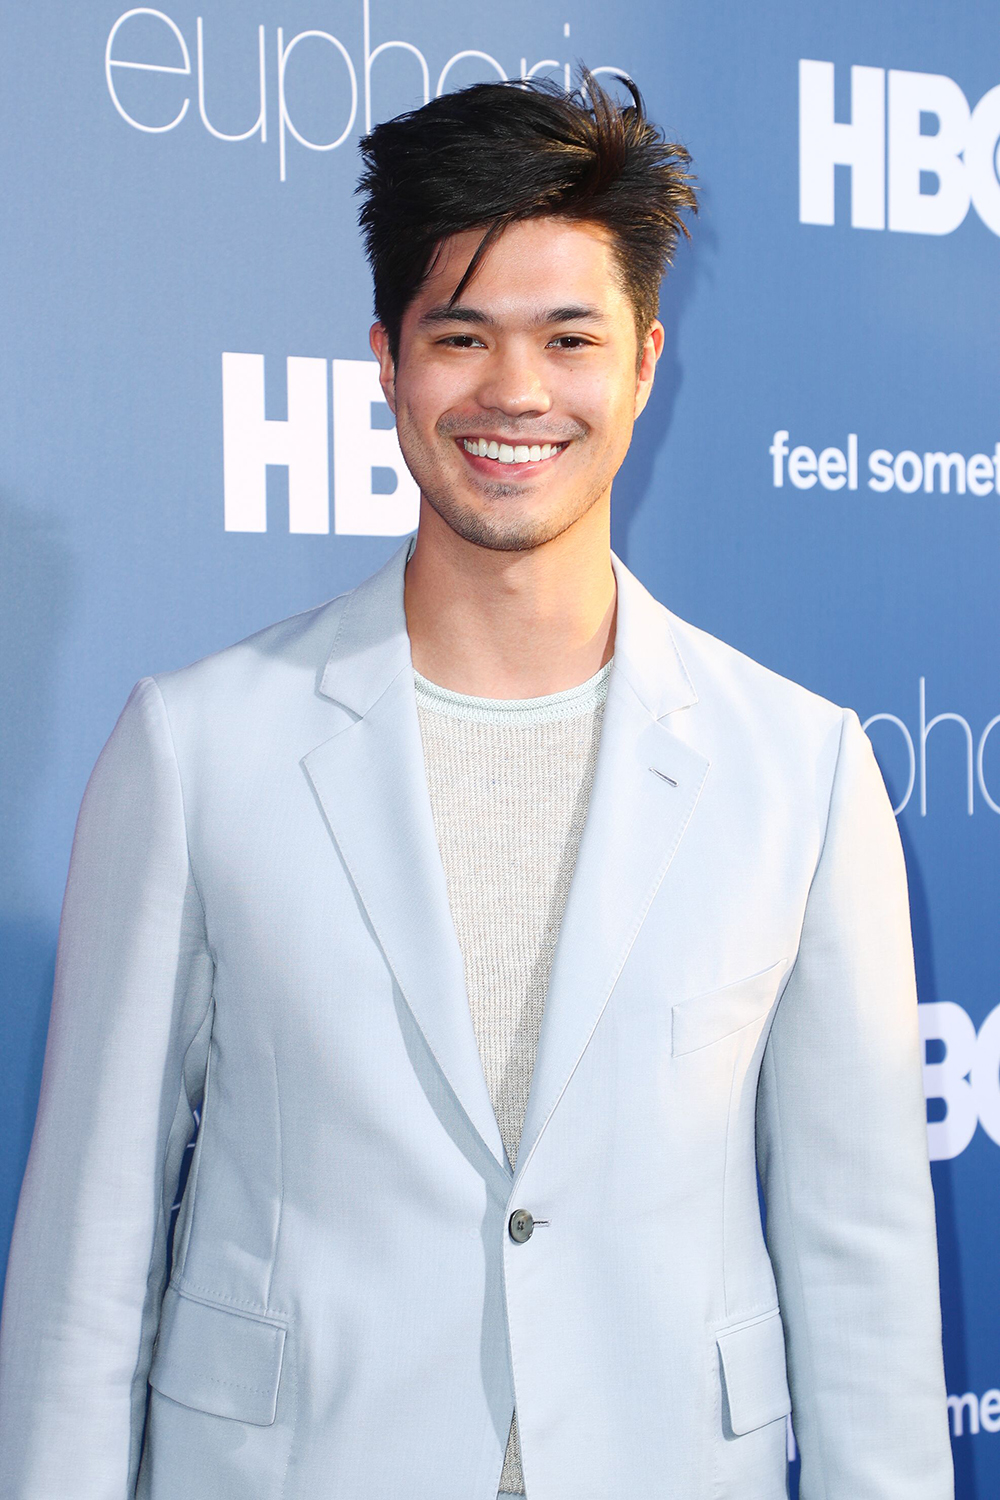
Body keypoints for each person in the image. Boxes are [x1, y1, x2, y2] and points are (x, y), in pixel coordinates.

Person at [0, 73, 952, 1500]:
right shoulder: (199, 750)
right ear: (386, 362)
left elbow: (863, 1268)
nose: (516, 392)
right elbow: (90, 1260)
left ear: (644, 363)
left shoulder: (798, 772)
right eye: (461, 336)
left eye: (570, 338)